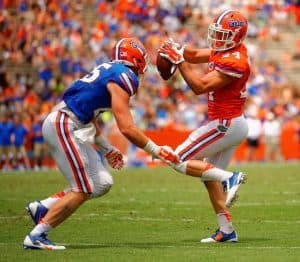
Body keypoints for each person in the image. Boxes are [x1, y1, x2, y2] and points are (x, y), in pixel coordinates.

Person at [23, 37, 246, 250]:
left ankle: (44, 207)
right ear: (136, 59)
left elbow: (88, 114)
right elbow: (127, 127)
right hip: (65, 125)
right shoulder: (124, 75)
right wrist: (156, 149)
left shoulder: (108, 70)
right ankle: (37, 235)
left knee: (101, 183)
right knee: (83, 188)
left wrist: (107, 148)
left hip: (69, 123)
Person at [159, 9, 250, 243]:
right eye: (217, 33)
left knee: (175, 158)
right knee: (208, 177)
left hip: (225, 124)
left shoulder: (234, 61)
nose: (217, 38)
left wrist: (179, 63)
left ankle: (230, 178)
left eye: (223, 34)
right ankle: (227, 230)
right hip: (232, 123)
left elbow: (199, 86)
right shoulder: (227, 50)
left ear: (236, 36)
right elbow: (197, 54)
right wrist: (177, 50)